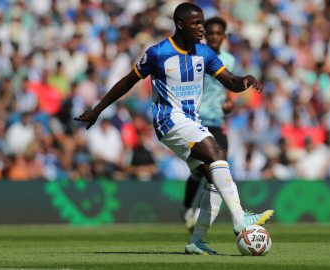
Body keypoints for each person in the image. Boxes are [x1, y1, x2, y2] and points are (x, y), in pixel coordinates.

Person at [74, 3, 273, 255]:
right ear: (180, 24)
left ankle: (196, 241)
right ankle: (239, 220)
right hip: (168, 120)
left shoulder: (205, 53)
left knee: (215, 178)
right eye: (196, 24)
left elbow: (231, 81)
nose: (202, 29)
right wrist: (97, 110)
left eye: (202, 23)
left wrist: (245, 80)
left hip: (191, 121)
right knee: (219, 154)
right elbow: (127, 81)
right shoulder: (159, 53)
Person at [181, 16, 236, 232]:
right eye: (210, 33)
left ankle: (197, 212)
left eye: (217, 33)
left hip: (216, 120)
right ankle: (187, 207)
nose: (213, 36)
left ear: (223, 36)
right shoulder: (196, 55)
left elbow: (228, 88)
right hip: (196, 119)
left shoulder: (229, 60)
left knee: (219, 165)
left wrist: (230, 103)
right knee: (199, 171)